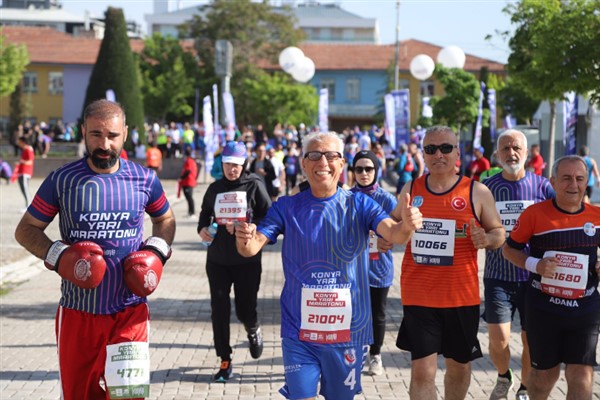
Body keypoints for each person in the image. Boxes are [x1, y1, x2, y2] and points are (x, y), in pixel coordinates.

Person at [234, 131, 423, 400]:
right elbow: (251, 247)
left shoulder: (360, 204)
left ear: (342, 164)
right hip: (299, 330)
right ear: (303, 163)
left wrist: (407, 225)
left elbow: (393, 234)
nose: (322, 161)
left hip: (347, 331)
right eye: (314, 155)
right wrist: (244, 239)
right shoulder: (286, 206)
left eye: (331, 155)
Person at [14, 99, 176, 400]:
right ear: (83, 132)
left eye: (112, 136)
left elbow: (165, 218)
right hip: (79, 314)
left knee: (129, 396)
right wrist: (58, 256)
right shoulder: (61, 180)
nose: (104, 144)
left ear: (125, 134)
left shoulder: (144, 179)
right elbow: (26, 230)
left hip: (130, 312)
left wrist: (156, 252)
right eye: (96, 135)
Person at [396, 125, 505, 399]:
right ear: (424, 154)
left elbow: (499, 233)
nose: (438, 155)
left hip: (461, 297)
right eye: (431, 149)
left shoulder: (476, 191)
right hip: (418, 295)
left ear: (457, 152)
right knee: (422, 371)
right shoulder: (411, 188)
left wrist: (486, 239)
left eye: (445, 148)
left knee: (458, 369)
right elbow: (392, 227)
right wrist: (392, 232)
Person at [502, 155, 600, 400]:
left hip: (585, 308)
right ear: (553, 182)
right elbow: (509, 249)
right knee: (545, 376)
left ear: (587, 182)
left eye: (579, 179)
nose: (573, 185)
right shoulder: (534, 214)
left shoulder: (596, 216)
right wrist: (536, 265)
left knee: (581, 375)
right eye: (566, 178)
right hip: (544, 308)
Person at [482, 129, 555, 400]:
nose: (511, 153)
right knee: (498, 339)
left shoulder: (543, 186)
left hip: (534, 277)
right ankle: (504, 376)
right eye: (505, 149)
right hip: (497, 275)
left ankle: (524, 388)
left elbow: (558, 223)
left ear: (527, 152)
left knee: (529, 341)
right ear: (498, 154)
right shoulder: (487, 188)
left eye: (516, 148)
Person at [197, 141, 272, 383]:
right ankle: (224, 360)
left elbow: (269, 217)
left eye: (237, 165)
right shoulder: (214, 188)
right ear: (222, 163)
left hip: (247, 259)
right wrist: (202, 230)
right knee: (219, 310)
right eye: (229, 164)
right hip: (218, 259)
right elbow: (204, 215)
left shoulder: (254, 185)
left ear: (244, 164)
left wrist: (251, 226)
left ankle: (253, 328)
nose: (233, 170)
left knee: (244, 309)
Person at [351, 150, 398, 376]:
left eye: (368, 169)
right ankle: (355, 353)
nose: (363, 173)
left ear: (376, 171)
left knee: (377, 313)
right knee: (354, 312)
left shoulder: (387, 199)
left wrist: (383, 239)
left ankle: (376, 355)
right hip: (352, 268)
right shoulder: (346, 197)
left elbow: (397, 234)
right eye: (359, 169)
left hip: (379, 267)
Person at [14, 136, 35, 211]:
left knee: (25, 189)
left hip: (25, 173)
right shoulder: (24, 150)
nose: (18, 143)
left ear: (23, 142)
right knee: (23, 189)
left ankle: (29, 206)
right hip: (22, 172)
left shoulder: (28, 149)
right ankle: (27, 205)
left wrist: (22, 162)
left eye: (19, 141)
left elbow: (30, 161)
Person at [179, 146, 198, 219]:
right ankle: (190, 212)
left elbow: (188, 171)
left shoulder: (188, 161)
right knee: (189, 197)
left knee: (189, 197)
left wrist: (181, 178)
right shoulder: (192, 161)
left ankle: (192, 212)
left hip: (188, 182)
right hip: (190, 181)